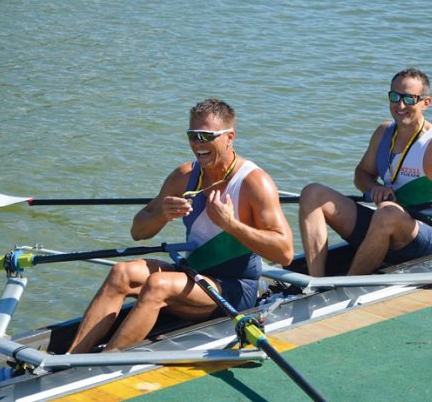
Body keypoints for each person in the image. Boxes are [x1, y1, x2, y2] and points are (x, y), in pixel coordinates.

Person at [68, 99, 293, 353]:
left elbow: (284, 252)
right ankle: (69, 359)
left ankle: (99, 366)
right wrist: (161, 215)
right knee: (122, 272)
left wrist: (231, 224)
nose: (197, 144)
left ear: (229, 137)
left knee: (157, 285)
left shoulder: (254, 183)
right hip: (194, 275)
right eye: (192, 135)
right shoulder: (184, 177)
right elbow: (138, 231)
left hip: (235, 289)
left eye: (206, 136)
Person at [299, 68, 432, 276]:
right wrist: (373, 187)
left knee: (386, 212)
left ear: (425, 103)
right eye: (395, 97)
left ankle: (345, 286)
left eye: (409, 99)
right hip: (383, 222)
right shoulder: (384, 132)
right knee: (312, 193)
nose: (400, 105)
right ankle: (315, 282)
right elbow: (362, 173)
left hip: (425, 236)